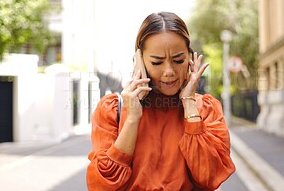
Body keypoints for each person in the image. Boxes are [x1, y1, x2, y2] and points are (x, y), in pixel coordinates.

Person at [86, 11, 236, 190]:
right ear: (139, 61)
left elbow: (210, 176)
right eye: (157, 62)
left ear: (189, 57)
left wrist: (189, 103)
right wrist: (132, 118)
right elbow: (101, 185)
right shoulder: (112, 110)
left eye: (178, 60)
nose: (169, 71)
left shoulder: (206, 109)